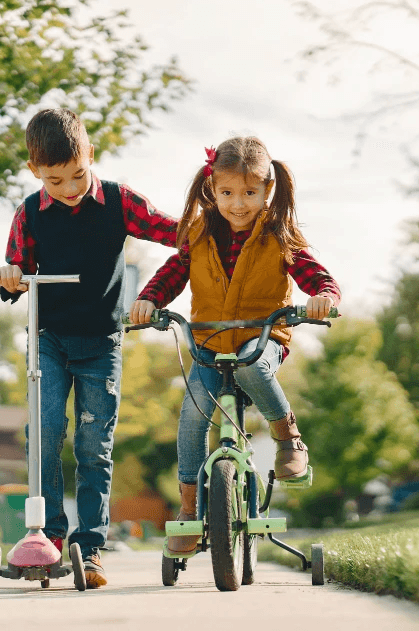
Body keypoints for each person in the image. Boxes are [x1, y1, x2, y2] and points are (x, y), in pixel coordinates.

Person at [129, 137, 341, 554]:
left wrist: (325, 298)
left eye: (249, 192)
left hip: (263, 340)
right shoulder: (198, 232)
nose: (238, 203)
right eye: (227, 193)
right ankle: (189, 510)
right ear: (212, 189)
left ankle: (288, 439)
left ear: (267, 191)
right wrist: (149, 300)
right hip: (208, 343)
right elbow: (173, 272)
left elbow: (315, 275)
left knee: (251, 366)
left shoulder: (280, 234)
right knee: (191, 415)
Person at [0, 108, 178, 587]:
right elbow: (16, 272)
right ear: (36, 171)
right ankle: (49, 538)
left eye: (78, 175)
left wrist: (218, 229)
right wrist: (10, 276)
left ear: (90, 155)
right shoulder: (30, 212)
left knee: (94, 446)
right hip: (49, 341)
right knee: (46, 436)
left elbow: (170, 230)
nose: (70, 188)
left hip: (100, 343)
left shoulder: (118, 201)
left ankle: (90, 547)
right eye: (56, 181)